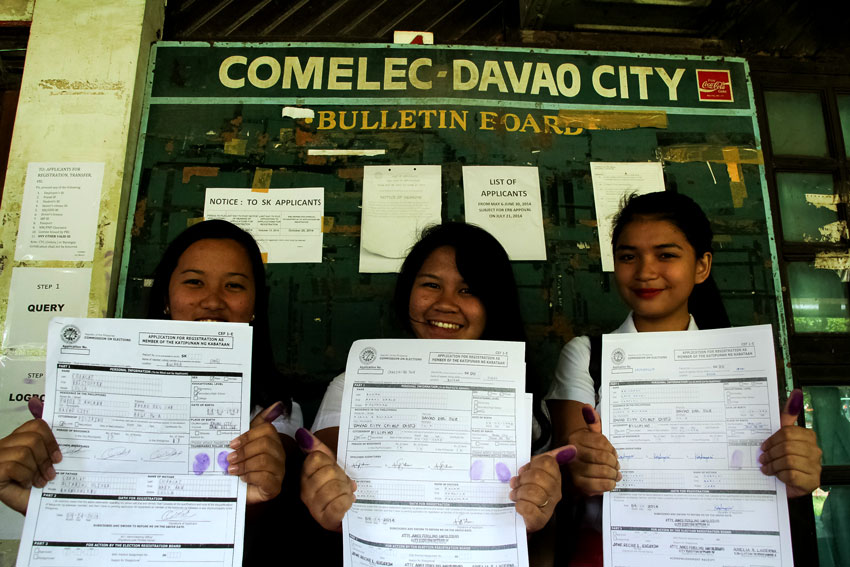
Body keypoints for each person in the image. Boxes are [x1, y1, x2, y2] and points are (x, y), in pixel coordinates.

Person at [546, 191, 823, 563]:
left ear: (702, 266)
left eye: (666, 255)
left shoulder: (742, 363)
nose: (645, 272)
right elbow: (568, 461)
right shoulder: (587, 355)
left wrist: (791, 471)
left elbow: (765, 474)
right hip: (613, 553)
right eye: (629, 256)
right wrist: (577, 466)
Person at [0, 219, 299, 521]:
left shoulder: (276, 411)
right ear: (166, 299)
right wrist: (41, 496)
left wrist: (269, 482)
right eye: (194, 281)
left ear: (254, 306)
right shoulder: (92, 395)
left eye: (233, 285)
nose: (212, 301)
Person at [299, 222, 576, 537]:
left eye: (468, 290)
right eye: (431, 285)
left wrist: (539, 514)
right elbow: (330, 499)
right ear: (408, 292)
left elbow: (537, 534)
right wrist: (324, 497)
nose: (445, 304)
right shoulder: (352, 385)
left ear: (494, 304)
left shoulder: (524, 398)